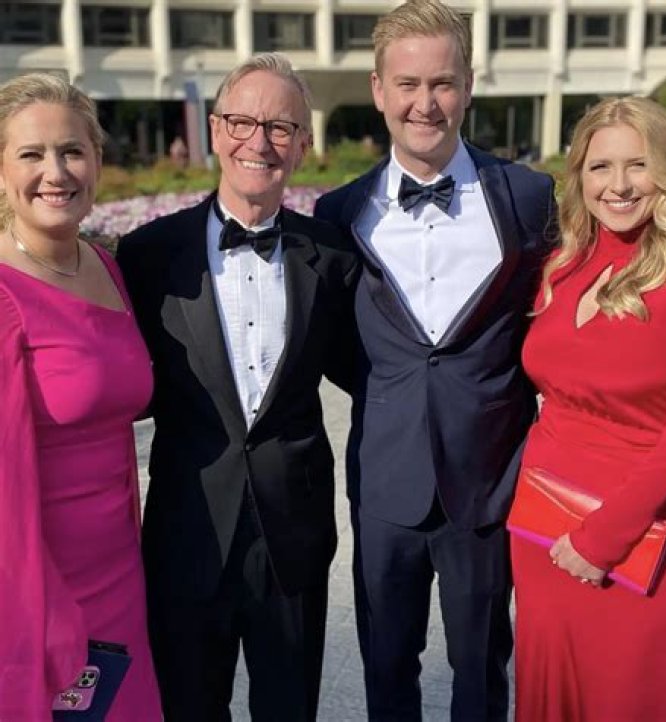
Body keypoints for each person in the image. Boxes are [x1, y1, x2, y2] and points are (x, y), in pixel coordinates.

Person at [314, 2, 556, 719]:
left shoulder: (529, 197)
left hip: (487, 482)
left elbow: (545, 323)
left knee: (483, 669)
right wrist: (395, 395)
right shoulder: (339, 213)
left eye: (443, 83)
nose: (426, 103)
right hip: (385, 480)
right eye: (409, 84)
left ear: (469, 85)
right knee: (387, 667)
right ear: (379, 89)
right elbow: (337, 344)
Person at [116, 53, 359, 722]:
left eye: (281, 127)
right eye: (244, 122)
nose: (261, 141)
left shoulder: (333, 257)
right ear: (217, 130)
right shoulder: (148, 256)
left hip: (294, 535)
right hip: (187, 531)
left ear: (303, 145)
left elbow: (375, 372)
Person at [510, 96, 666, 721]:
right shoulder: (563, 268)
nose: (619, 185)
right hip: (546, 531)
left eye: (638, 165)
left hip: (646, 540)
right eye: (601, 166)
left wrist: (601, 539)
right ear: (579, 175)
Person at [0, 73, 162, 720]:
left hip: (123, 574)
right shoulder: (4, 296)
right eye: (31, 154)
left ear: (96, 160)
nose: (56, 172)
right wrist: (40, 614)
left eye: (72, 151)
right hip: (39, 594)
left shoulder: (107, 268)